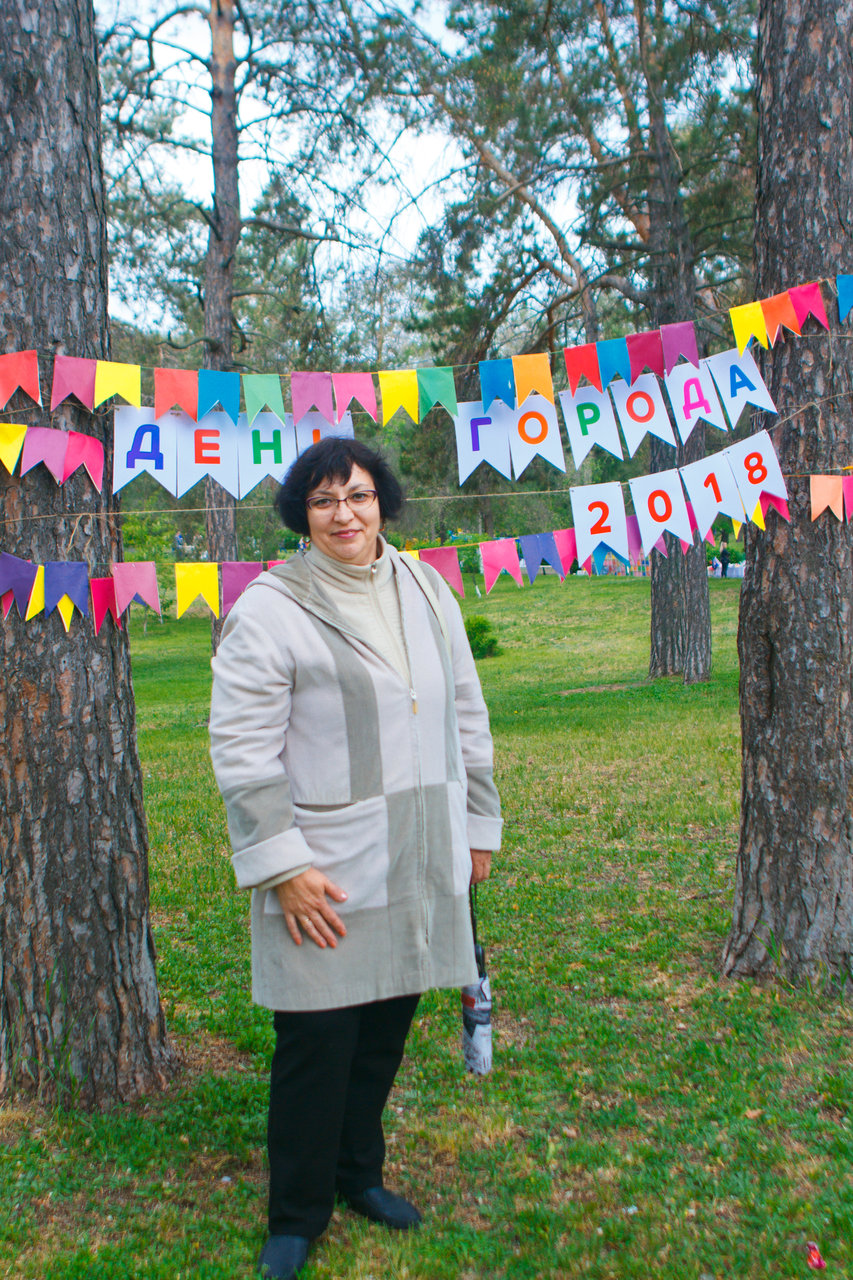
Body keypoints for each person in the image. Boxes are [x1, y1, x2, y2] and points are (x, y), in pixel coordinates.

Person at [209, 438, 502, 1280]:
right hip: (325, 867)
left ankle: (357, 1175)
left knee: (381, 1033)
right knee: (317, 1042)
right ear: (301, 514)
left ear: (384, 502)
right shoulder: (271, 608)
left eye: (360, 495)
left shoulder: (424, 586)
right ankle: (296, 1216)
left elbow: (465, 708)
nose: (345, 514)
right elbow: (242, 750)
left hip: (420, 847)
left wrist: (477, 825)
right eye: (324, 500)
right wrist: (283, 866)